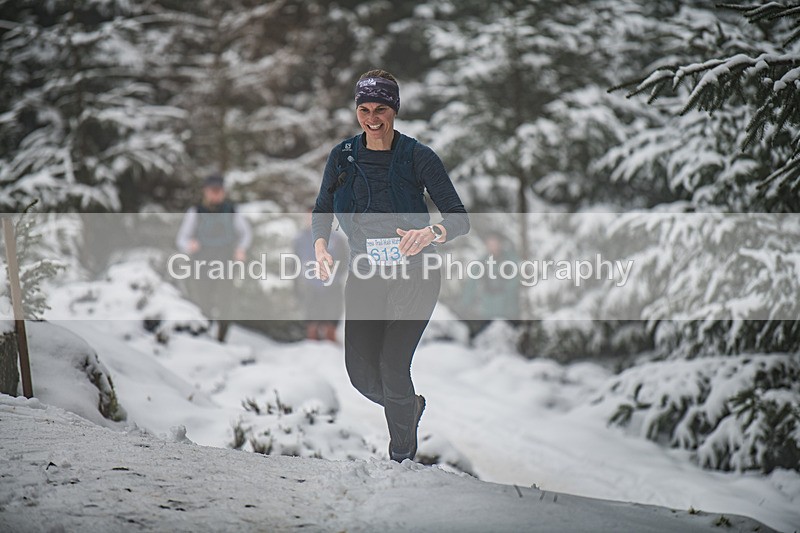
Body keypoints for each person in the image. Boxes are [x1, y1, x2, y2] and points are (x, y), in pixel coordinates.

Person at [312, 69, 469, 462]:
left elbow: (459, 218)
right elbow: (322, 208)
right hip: (365, 275)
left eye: (380, 109)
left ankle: (401, 459)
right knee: (361, 375)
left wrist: (431, 233)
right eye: (364, 109)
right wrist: (321, 246)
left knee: (394, 367)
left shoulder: (418, 157)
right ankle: (408, 407)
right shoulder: (343, 156)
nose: (372, 118)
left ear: (394, 109)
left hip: (414, 276)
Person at [176, 174, 252, 342]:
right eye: (213, 190)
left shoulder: (232, 211)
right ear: (206, 191)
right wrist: (189, 246)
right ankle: (203, 337)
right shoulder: (195, 212)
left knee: (226, 303)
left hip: (226, 263)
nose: (216, 194)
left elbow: (245, 233)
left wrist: (241, 249)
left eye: (219, 190)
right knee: (203, 303)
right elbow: (182, 239)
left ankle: (221, 339)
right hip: (201, 264)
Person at [293, 209, 347, 342]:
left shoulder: (336, 238)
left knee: (332, 317)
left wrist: (334, 274)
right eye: (310, 217)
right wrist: (297, 283)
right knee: (311, 319)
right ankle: (312, 342)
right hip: (310, 284)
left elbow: (344, 260)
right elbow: (294, 262)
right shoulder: (300, 239)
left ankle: (331, 340)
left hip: (332, 283)